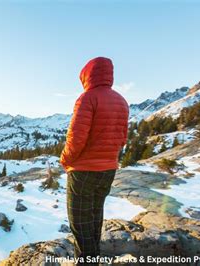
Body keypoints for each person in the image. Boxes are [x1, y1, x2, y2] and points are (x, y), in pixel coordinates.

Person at [60, 57, 129, 264]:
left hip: (83, 171)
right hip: (108, 169)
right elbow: (123, 138)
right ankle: (94, 257)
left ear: (87, 75)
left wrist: (65, 160)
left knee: (79, 221)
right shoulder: (121, 101)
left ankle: (87, 261)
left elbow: (76, 138)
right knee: (94, 215)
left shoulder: (87, 98)